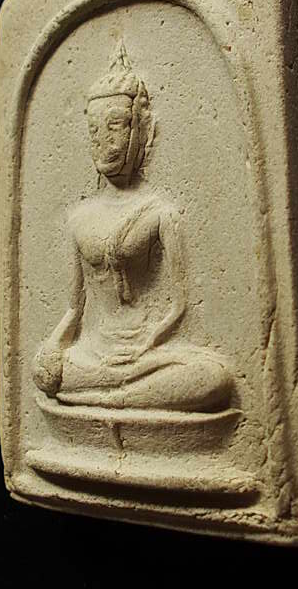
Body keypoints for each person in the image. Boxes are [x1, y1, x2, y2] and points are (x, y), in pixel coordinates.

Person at [33, 42, 231, 412]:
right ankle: (118, 393)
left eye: (115, 126)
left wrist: (148, 343)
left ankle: (113, 398)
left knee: (213, 378)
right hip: (92, 353)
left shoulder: (161, 213)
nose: (103, 140)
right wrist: (53, 346)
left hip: (146, 350)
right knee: (44, 373)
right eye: (94, 130)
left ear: (141, 131)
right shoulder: (79, 218)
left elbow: (179, 304)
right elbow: (74, 307)